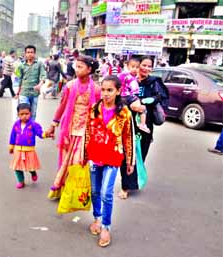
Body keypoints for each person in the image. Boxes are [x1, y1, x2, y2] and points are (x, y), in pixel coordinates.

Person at [84, 75, 135, 247]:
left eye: (110, 90)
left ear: (118, 91)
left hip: (113, 157)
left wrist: (130, 161)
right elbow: (87, 133)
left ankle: (106, 227)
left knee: (106, 192)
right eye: (103, 90)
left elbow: (129, 137)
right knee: (95, 191)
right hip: (94, 156)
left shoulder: (124, 113)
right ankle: (97, 219)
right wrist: (84, 155)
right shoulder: (93, 109)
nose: (105, 94)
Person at [44, 56, 101, 199]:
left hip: (85, 132)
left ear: (89, 70)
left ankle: (76, 193)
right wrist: (53, 125)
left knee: (79, 161)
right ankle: (62, 190)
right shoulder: (70, 86)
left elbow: (99, 113)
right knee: (65, 161)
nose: (76, 69)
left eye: (80, 66)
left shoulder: (97, 89)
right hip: (69, 129)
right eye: (76, 66)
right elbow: (62, 106)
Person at [118, 56, 169, 199]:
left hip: (145, 124)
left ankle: (135, 179)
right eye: (144, 65)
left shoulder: (153, 82)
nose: (146, 68)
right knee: (127, 154)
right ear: (137, 66)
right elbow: (118, 96)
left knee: (141, 154)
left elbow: (160, 97)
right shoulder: (127, 80)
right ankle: (126, 186)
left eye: (149, 66)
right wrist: (131, 103)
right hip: (128, 122)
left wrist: (145, 101)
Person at [9, 103, 47, 189]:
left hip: (30, 150)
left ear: (30, 113)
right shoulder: (16, 124)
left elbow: (40, 133)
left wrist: (46, 134)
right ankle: (21, 181)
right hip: (18, 150)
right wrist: (11, 147)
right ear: (18, 114)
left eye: (27, 114)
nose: (24, 116)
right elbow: (12, 136)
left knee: (30, 166)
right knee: (17, 167)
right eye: (22, 114)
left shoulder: (33, 125)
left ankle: (33, 172)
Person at [118, 58, 150, 133]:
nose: (135, 69)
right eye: (133, 67)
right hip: (129, 97)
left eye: (137, 67)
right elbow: (135, 90)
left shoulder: (123, 75)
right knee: (143, 108)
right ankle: (142, 124)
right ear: (128, 67)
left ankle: (140, 122)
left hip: (122, 97)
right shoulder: (130, 77)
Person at [16, 45, 46, 120]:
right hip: (24, 93)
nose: (30, 54)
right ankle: (20, 130)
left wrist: (40, 85)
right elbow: (20, 79)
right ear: (25, 54)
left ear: (34, 53)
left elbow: (43, 76)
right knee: (23, 113)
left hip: (34, 93)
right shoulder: (21, 66)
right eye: (28, 52)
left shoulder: (39, 64)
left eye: (32, 52)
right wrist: (18, 92)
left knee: (32, 114)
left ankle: (30, 130)